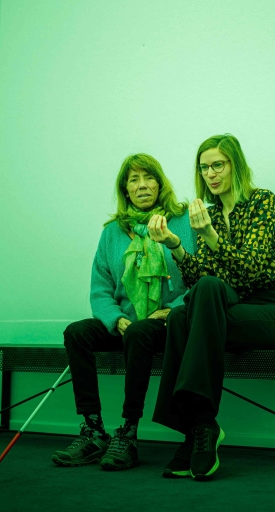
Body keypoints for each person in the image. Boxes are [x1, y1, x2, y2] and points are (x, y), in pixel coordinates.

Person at [147, 134, 275, 481]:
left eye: (218, 165)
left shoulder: (262, 202)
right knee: (188, 307)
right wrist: (176, 246)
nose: (211, 174)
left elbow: (252, 271)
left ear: (236, 165)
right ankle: (201, 426)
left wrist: (213, 237)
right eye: (204, 168)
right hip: (229, 308)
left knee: (194, 308)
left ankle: (195, 428)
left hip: (274, 310)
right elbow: (200, 279)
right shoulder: (210, 213)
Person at [52, 153, 196, 471]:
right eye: (134, 179)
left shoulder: (184, 222)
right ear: (125, 189)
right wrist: (116, 318)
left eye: (148, 177)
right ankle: (93, 430)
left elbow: (200, 277)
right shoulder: (112, 233)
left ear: (160, 183)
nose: (142, 185)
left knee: (140, 331)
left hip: (163, 325)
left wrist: (172, 310)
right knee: (76, 332)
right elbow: (101, 290)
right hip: (124, 324)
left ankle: (128, 434)